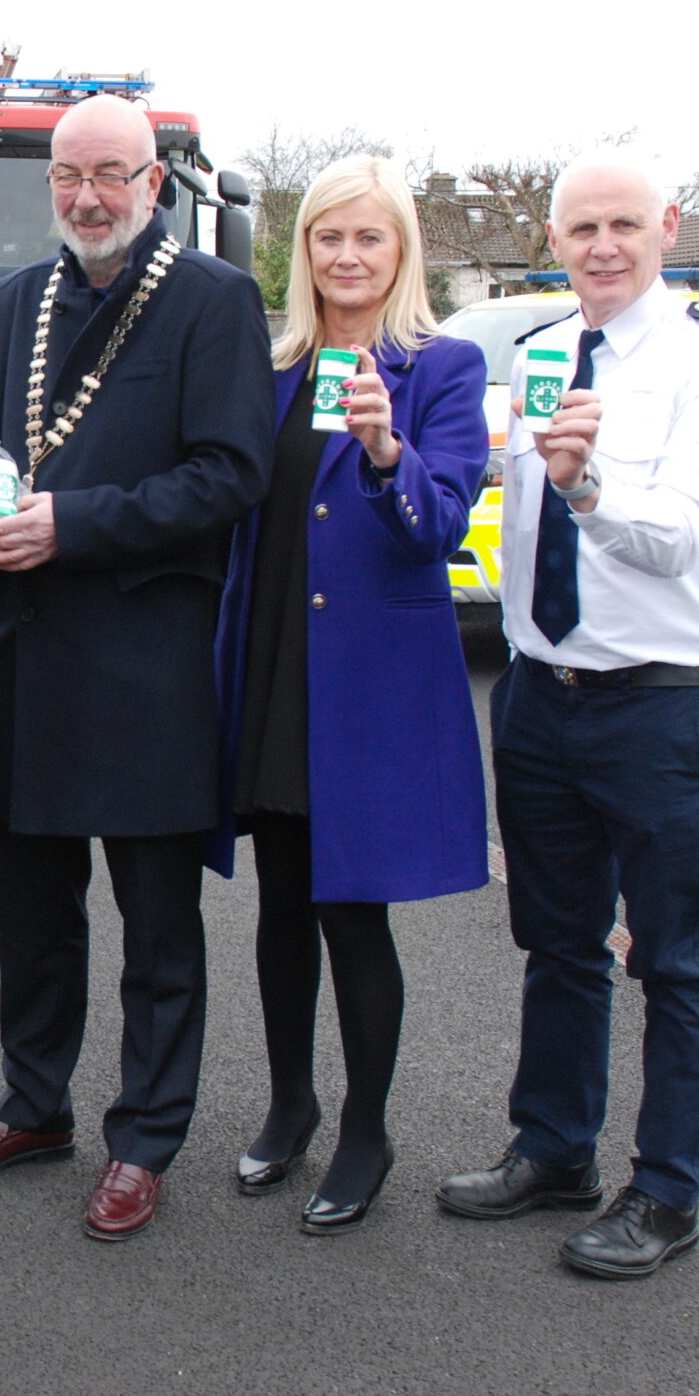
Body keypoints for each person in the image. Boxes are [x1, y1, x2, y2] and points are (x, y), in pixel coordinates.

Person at [0, 94, 273, 1242]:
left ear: (156, 180)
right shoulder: (22, 297)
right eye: (68, 176)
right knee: (31, 910)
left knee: (156, 921)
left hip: (145, 661)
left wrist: (69, 523)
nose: (87, 195)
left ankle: (143, 1138)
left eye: (111, 173)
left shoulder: (214, 301)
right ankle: (33, 1105)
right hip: (23, 649)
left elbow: (226, 476)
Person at [438, 149, 699, 1279]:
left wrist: (588, 485)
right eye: (581, 229)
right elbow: (496, 505)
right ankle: (554, 1147)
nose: (603, 247)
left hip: (664, 705)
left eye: (624, 224)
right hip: (540, 694)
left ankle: (667, 1192)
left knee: (677, 955)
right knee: (557, 940)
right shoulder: (535, 356)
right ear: (556, 240)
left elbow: (678, 536)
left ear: (667, 225)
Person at [212, 155, 490, 1235]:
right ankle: (290, 1104)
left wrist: (386, 448)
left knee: (350, 910)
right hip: (274, 661)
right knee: (281, 904)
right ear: (304, 252)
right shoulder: (270, 365)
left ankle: (366, 1129)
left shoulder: (441, 368)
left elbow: (442, 524)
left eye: (367, 238)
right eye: (328, 237)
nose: (346, 256)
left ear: (400, 251)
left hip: (371, 686)